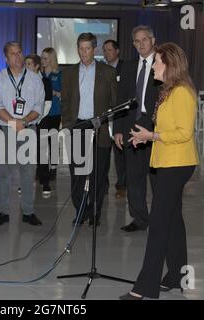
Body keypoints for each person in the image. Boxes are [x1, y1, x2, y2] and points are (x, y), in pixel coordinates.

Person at [120, 42, 198, 300]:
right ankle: (176, 275)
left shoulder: (183, 93)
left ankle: (145, 288)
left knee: (159, 224)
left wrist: (152, 135)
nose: (153, 65)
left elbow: (184, 133)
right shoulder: (167, 91)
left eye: (157, 62)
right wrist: (147, 137)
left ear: (169, 65)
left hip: (177, 164)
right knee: (173, 220)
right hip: (165, 160)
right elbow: (165, 127)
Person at [61, 33, 117, 227]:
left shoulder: (107, 72)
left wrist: (111, 128)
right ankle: (80, 210)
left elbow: (114, 102)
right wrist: (68, 125)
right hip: (77, 127)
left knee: (98, 174)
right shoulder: (68, 73)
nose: (83, 52)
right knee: (77, 173)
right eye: (80, 48)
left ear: (94, 49)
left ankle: (95, 211)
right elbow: (66, 102)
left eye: (87, 48)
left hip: (99, 129)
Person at [0, 41, 45, 226]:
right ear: (6, 58)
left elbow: (39, 105)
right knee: (5, 172)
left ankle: (28, 211)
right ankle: (3, 212)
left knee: (28, 172)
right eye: (13, 53)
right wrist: (14, 122)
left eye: (20, 52)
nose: (18, 56)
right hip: (5, 129)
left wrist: (25, 121)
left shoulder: (35, 78)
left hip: (28, 128)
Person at [113, 25, 160, 232]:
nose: (141, 44)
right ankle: (140, 219)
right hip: (132, 128)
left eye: (144, 40)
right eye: (136, 41)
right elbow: (121, 100)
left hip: (156, 129)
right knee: (134, 177)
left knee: (158, 178)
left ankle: (161, 218)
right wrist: (118, 129)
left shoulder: (163, 65)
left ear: (153, 40)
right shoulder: (129, 67)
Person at [25, 53, 55, 197]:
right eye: (25, 64)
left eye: (29, 64)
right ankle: (26, 182)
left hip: (42, 120)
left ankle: (45, 182)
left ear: (37, 66)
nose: (26, 66)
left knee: (42, 152)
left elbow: (48, 103)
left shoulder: (45, 81)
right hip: (26, 122)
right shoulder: (22, 81)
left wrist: (36, 118)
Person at [103, 39, 126, 199]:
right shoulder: (101, 69)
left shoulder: (126, 68)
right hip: (104, 117)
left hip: (119, 116)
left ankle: (122, 185)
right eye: (104, 50)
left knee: (120, 154)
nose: (106, 53)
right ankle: (102, 185)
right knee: (103, 152)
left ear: (117, 51)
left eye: (109, 50)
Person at [40, 48, 62, 185]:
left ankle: (53, 167)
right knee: (41, 142)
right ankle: (41, 169)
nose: (43, 61)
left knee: (52, 141)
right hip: (40, 113)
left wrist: (53, 92)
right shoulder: (38, 75)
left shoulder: (59, 75)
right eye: (42, 58)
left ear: (52, 59)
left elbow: (64, 93)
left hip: (54, 112)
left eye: (46, 58)